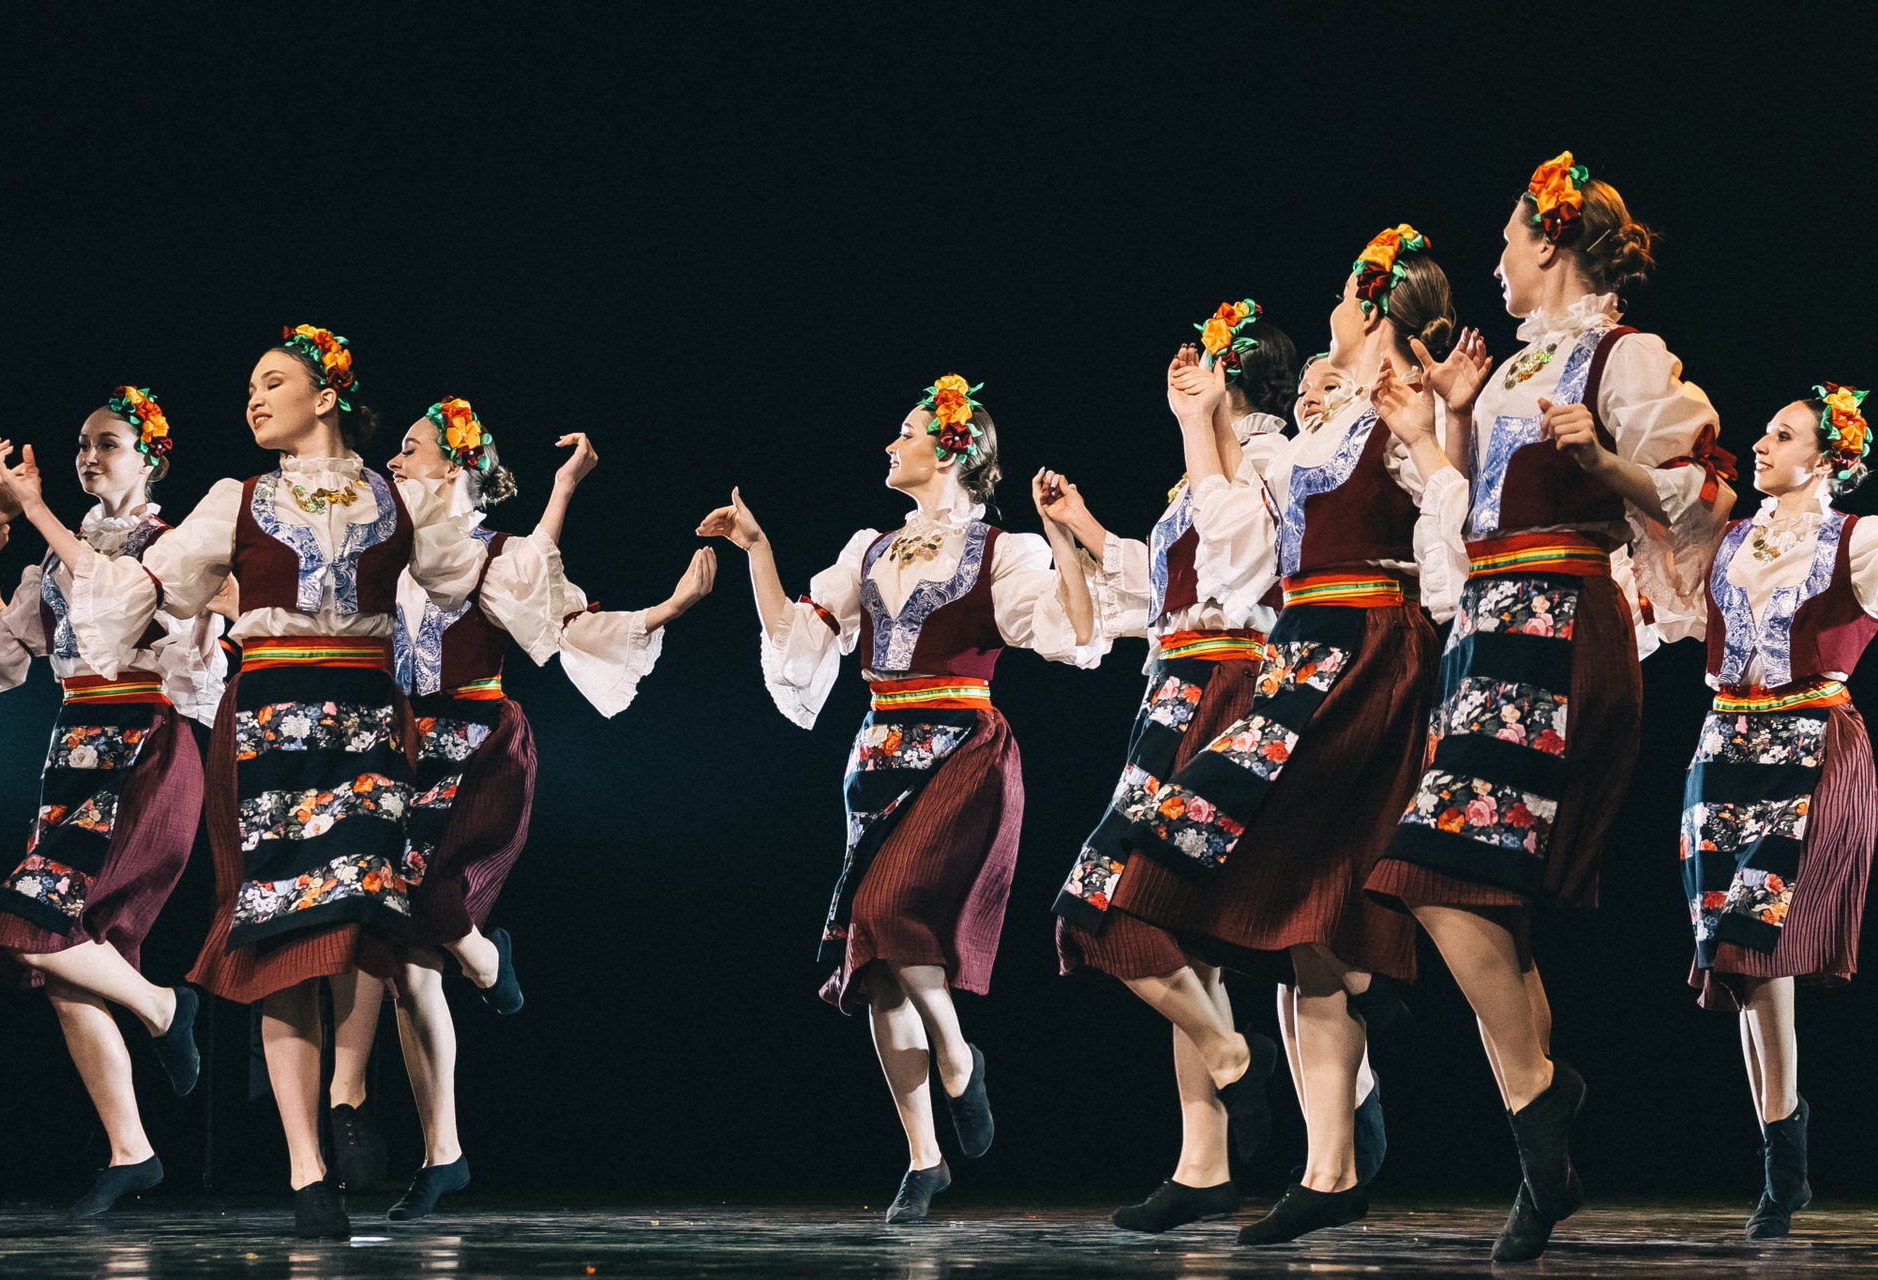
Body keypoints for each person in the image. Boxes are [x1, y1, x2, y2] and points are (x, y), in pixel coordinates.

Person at [1365, 154, 1736, 1263]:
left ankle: (1542, 1106)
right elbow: (1476, 513)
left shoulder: (1627, 357)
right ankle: (1543, 1160)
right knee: (1485, 893)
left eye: (1508, 240)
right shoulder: (1517, 368)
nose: (1495, 261)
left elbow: (1702, 492)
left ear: (1553, 242)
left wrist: (1607, 461)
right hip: (1491, 629)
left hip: (1560, 630)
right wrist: (1454, 421)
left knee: (1431, 868)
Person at [63, 326, 490, 1238]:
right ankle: (307, 1170)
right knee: (280, 937)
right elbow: (150, 591)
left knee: (364, 918)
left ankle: (371, 1097)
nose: (254, 399)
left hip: (368, 726)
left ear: (325, 396)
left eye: (273, 382)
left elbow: (464, 579)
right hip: (266, 728)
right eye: (251, 387)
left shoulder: (395, 497)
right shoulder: (238, 498)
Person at [1114, 227, 1459, 1244]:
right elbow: (1235, 546)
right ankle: (1330, 1158)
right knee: (1298, 915)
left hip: (1368, 651)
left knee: (1300, 893)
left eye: (1346, 298)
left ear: (1374, 306)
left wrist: (1436, 434)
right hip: (1301, 657)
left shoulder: (1406, 406)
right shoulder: (1314, 440)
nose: (1332, 314)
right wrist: (1197, 423)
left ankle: (1347, 1062)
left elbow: (1455, 518)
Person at [697, 374, 1101, 1223]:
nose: (891, 444)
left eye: (908, 432)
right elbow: (802, 637)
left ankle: (958, 1056)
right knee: (875, 962)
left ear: (951, 449)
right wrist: (758, 550)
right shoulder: (870, 548)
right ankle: (924, 1159)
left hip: (963, 750)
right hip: (879, 752)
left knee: (885, 911)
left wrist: (1065, 541)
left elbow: (1067, 633)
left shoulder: (1003, 551)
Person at [379, 404, 716, 1219]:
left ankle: (489, 963)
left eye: (410, 450)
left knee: (430, 901)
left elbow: (567, 623)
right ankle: (442, 1154)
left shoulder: (497, 556)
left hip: (480, 746)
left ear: (454, 466)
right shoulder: (389, 557)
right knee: (406, 961)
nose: (393, 460)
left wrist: (666, 609)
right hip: (405, 750)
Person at [1040, 303, 1309, 1233]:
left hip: (1230, 689)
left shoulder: (1277, 461)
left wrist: (1199, 430)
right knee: (1173, 932)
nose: (1190, 372)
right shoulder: (1198, 472)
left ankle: (1236, 1060)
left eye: (1210, 364)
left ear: (1239, 377)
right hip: (1172, 693)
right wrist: (1081, 526)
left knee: (1099, 899)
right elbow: (1165, 594)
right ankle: (1203, 1166)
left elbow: (1238, 560)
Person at [0, 391, 225, 1216]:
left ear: (150, 455)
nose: (88, 456)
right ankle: (130, 1150)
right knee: (64, 952)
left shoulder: (171, 546)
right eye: (82, 443)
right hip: (74, 747)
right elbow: (8, 653)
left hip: (143, 747)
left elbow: (131, 599)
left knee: (34, 924)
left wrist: (34, 508)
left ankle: (164, 1007)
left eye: (107, 443)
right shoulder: (57, 557)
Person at [1682, 384, 1874, 1240]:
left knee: (1761, 936)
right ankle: (1783, 1154)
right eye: (1763, 432)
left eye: (1783, 435)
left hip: (1812, 742)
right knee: (1740, 955)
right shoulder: (1730, 538)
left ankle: (1783, 1163)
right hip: (1724, 744)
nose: (1760, 444)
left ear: (1827, 458)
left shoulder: (1859, 540)